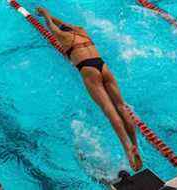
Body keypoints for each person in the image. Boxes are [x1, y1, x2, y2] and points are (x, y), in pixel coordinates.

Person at [37, 7, 143, 171]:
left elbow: (51, 26)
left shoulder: (63, 37)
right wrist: (51, 14)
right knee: (121, 107)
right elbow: (64, 23)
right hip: (103, 66)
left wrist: (45, 15)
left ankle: (127, 148)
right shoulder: (81, 31)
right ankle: (135, 144)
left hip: (89, 70)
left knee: (110, 111)